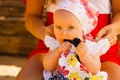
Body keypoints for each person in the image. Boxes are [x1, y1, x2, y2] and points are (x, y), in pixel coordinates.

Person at [16, 0, 120, 80]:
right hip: (51, 50)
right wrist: (43, 32)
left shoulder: (97, 49)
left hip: (103, 56)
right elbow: (32, 16)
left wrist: (114, 28)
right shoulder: (54, 47)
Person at [43, 0, 110, 79]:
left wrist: (85, 56)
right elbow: (48, 66)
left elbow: (95, 70)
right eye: (59, 27)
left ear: (83, 30)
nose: (64, 33)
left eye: (70, 28)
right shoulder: (56, 45)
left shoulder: (89, 46)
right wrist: (57, 52)